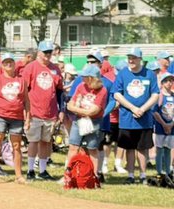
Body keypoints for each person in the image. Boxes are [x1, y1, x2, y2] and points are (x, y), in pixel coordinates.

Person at [110, 48, 159, 185]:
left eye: (134, 58)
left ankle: (143, 175)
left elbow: (155, 94)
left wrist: (143, 109)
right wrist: (132, 108)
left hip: (144, 118)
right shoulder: (123, 74)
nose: (131, 60)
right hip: (127, 118)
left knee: (142, 148)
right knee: (129, 147)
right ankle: (131, 175)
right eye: (129, 58)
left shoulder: (149, 74)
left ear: (140, 59)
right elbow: (117, 93)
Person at [20, 40, 62, 181]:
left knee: (46, 141)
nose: (48, 55)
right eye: (45, 52)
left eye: (50, 52)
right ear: (39, 52)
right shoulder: (31, 67)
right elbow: (24, 90)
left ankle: (43, 170)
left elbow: (59, 91)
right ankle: (30, 170)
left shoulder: (55, 69)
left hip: (50, 113)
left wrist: (61, 110)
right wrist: (26, 111)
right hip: (34, 111)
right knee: (33, 141)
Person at [0, 54, 28, 184]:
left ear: (14, 64)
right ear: (2, 65)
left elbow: (26, 101)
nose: (8, 64)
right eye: (6, 62)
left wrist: (28, 118)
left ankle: (18, 175)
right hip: (0, 115)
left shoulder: (21, 80)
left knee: (16, 145)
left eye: (10, 62)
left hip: (17, 116)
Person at [63, 67, 108, 181]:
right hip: (79, 121)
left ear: (91, 78)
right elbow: (70, 105)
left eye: (84, 76)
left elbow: (93, 111)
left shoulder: (102, 90)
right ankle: (69, 174)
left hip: (94, 122)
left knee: (92, 149)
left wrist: (76, 109)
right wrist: (82, 111)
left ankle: (94, 177)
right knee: (73, 146)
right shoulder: (81, 86)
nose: (82, 78)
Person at [153, 72, 174, 185]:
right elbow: (155, 112)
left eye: (171, 80)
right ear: (162, 83)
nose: (169, 83)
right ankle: (159, 172)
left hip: (171, 127)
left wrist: (171, 124)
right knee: (159, 149)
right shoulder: (159, 96)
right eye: (166, 81)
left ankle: (168, 172)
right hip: (160, 127)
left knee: (168, 149)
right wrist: (164, 124)